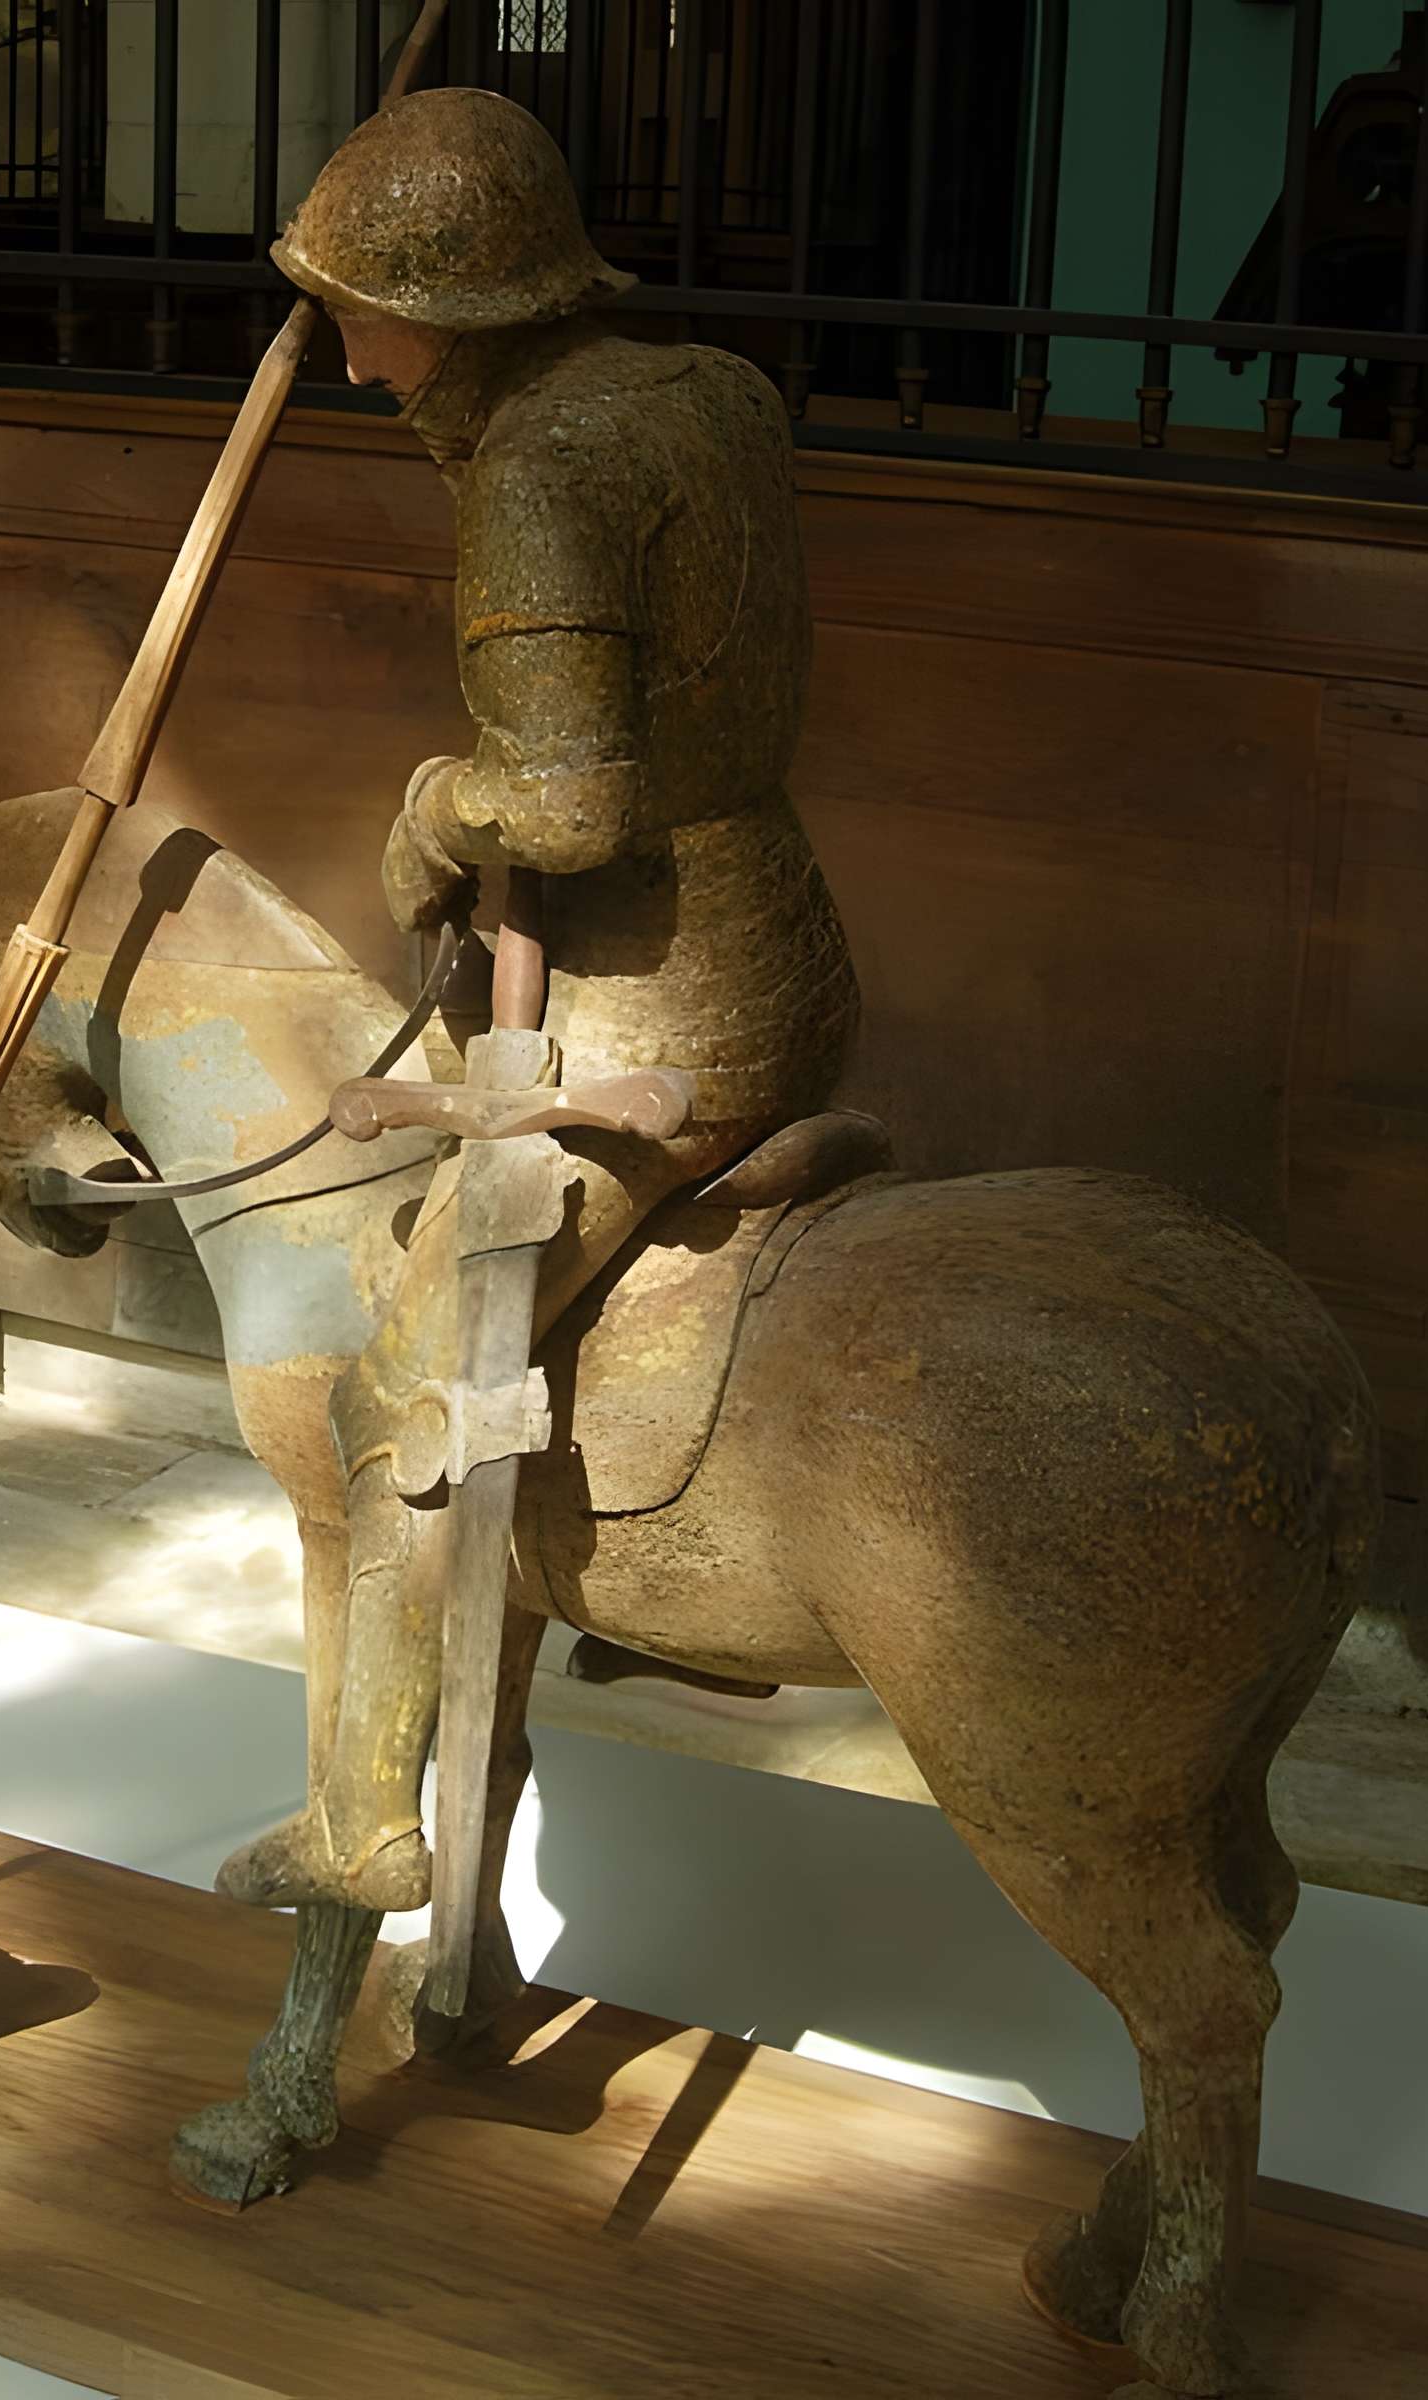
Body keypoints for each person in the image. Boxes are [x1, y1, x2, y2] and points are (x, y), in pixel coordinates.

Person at [215, 88, 861, 1914]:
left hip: (657, 1006)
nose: (351, 362)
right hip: (787, 937)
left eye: (366, 320)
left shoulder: (535, 474)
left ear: (461, 308)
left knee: (393, 1398)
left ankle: (364, 1827)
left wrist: (433, 805)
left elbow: (573, 807)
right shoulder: (713, 391)